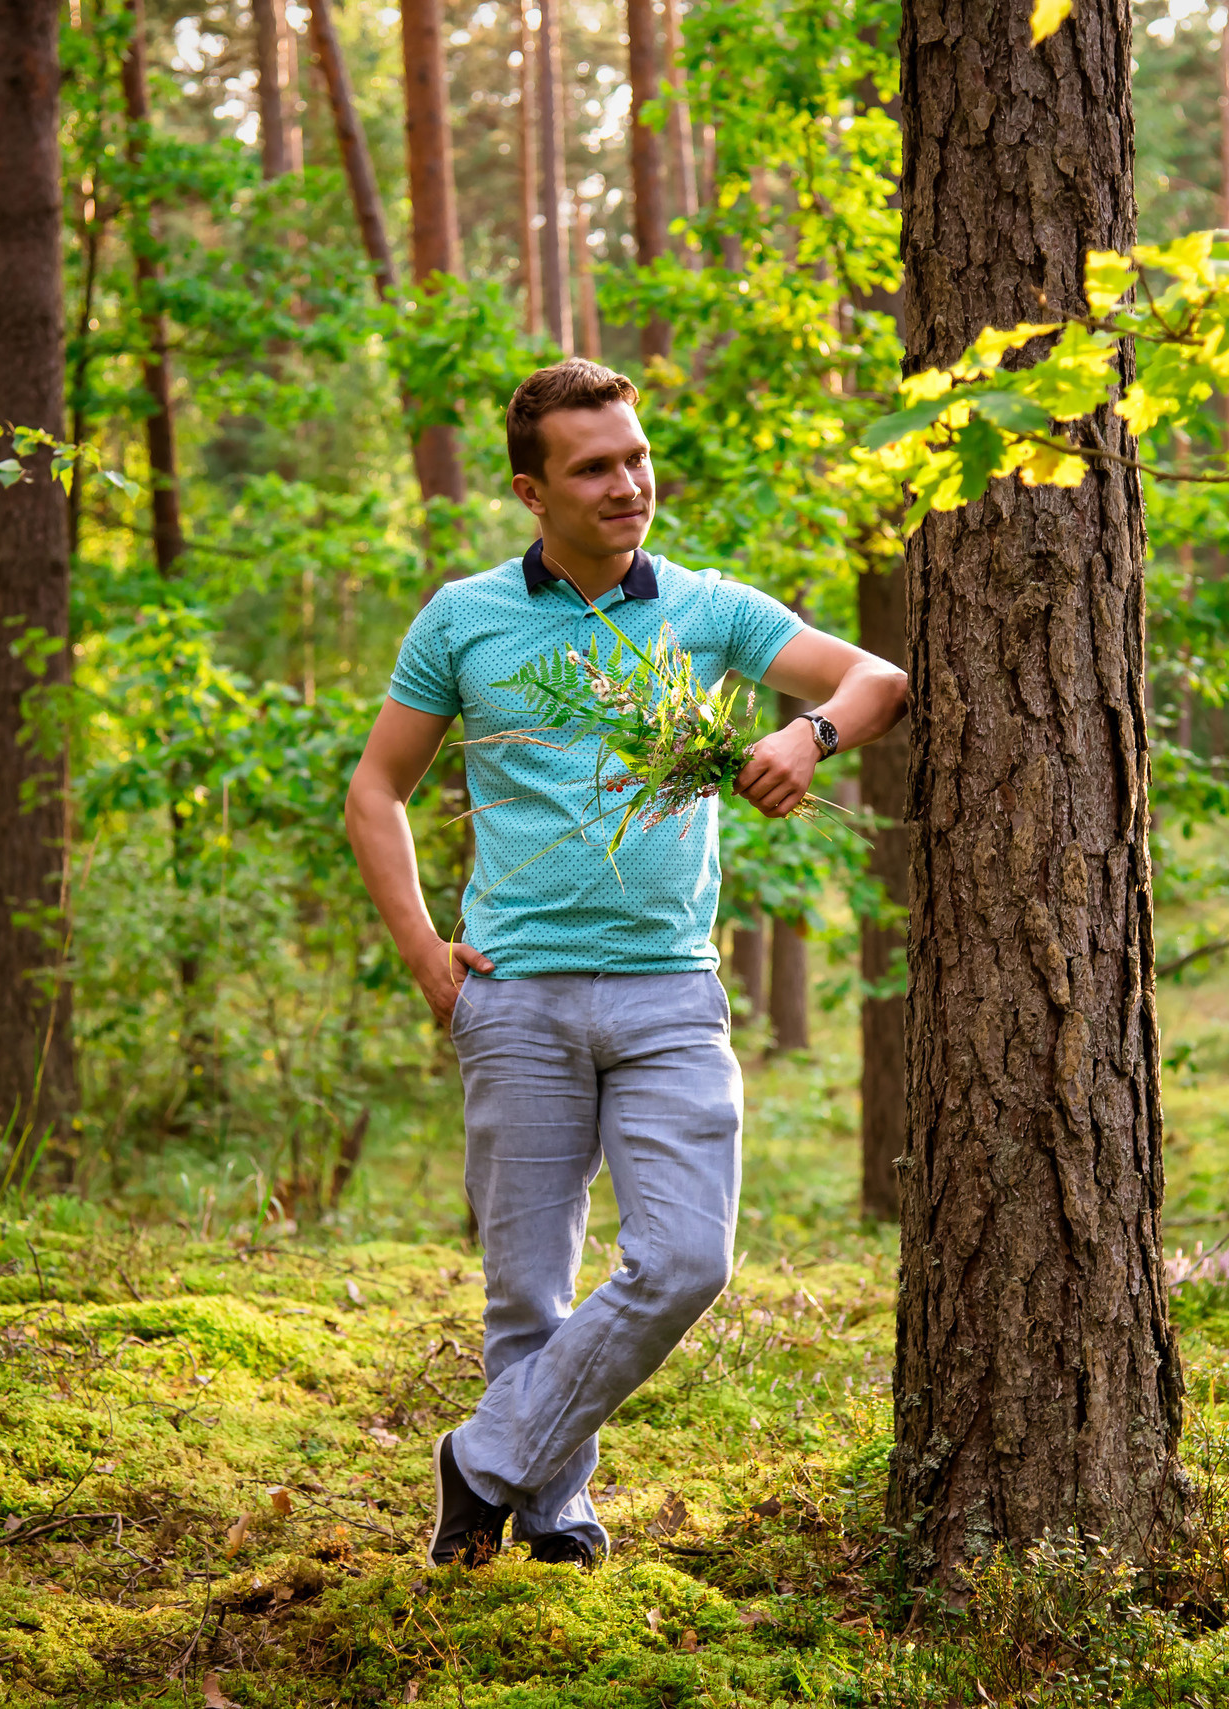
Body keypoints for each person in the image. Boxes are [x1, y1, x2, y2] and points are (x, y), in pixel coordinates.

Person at [345, 359, 910, 1567]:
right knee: (525, 1291)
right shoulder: (463, 618)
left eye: (636, 457)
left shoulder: (708, 609)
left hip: (669, 992)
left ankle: (479, 1461)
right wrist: (426, 955)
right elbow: (376, 788)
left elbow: (877, 678)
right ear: (531, 491)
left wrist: (807, 736)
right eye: (594, 467)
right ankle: (547, 1516)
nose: (627, 484)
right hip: (515, 995)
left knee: (687, 1257)